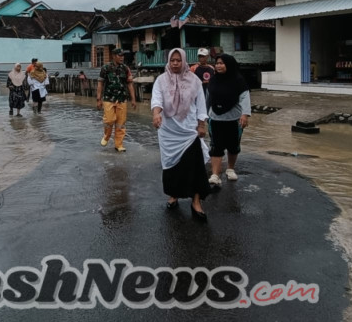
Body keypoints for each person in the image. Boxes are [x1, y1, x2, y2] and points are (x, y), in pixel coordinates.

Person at [151, 48, 210, 221]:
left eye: (178, 60)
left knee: (195, 166)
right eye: (172, 60)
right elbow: (157, 99)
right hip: (168, 131)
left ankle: (196, 201)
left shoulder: (194, 80)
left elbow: (201, 104)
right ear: (169, 61)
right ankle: (174, 195)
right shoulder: (161, 80)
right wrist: (156, 114)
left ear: (183, 61)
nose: (175, 63)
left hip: (189, 130)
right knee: (171, 166)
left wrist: (201, 125)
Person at [206, 54, 250, 187]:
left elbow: (244, 97)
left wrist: (245, 114)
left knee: (233, 146)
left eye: (222, 63)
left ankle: (230, 169)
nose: (218, 66)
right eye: (217, 63)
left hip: (234, 119)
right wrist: (205, 114)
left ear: (229, 64)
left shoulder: (238, 80)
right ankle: (215, 174)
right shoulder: (213, 80)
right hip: (215, 118)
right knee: (216, 146)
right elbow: (208, 98)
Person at [96, 48, 137, 152]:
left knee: (120, 123)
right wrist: (98, 99)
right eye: (120, 55)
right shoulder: (105, 68)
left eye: (123, 56)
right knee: (109, 120)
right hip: (108, 98)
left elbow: (130, 84)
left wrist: (133, 99)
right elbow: (100, 83)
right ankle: (106, 136)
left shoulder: (126, 69)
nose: (122, 58)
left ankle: (119, 144)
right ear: (113, 56)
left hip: (122, 98)